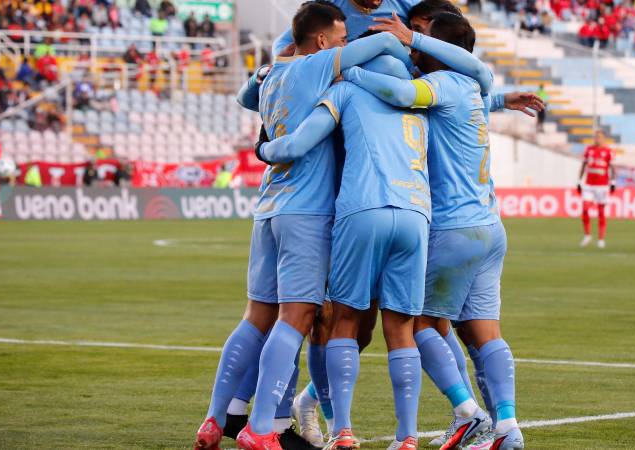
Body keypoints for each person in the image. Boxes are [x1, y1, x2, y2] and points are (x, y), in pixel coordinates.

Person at [194, 2, 414, 449]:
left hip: (269, 208)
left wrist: (264, 74)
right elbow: (388, 42)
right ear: (319, 42)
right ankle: (260, 429)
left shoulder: (272, 73)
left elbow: (243, 98)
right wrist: (403, 37)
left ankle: (214, 420)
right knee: (298, 319)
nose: (344, 44)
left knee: (256, 316)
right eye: (340, 38)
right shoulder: (319, 64)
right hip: (308, 212)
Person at [344, 11, 544, 450]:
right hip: (490, 227)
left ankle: (468, 414)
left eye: (424, 40)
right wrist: (504, 99)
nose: (416, 48)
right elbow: (465, 93)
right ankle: (508, 427)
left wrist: (348, 69)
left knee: (416, 324)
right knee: (485, 331)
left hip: (454, 228)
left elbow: (398, 91)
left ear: (439, 49)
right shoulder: (470, 89)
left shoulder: (438, 86)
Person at [259, 52, 431, 450]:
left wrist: (264, 149)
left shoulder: (347, 89)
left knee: (345, 322)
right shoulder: (417, 99)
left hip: (363, 208)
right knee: (401, 329)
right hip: (415, 213)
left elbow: (298, 143)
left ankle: (343, 431)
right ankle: (407, 437)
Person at [577, 130, 615, 249]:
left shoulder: (608, 151)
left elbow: (612, 167)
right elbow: (583, 165)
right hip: (589, 185)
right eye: (596, 137)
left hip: (602, 185)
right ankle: (587, 235)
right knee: (585, 209)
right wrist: (579, 181)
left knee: (601, 212)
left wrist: (613, 182)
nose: (597, 139)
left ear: (604, 139)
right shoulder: (589, 150)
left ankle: (601, 239)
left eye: (599, 137)